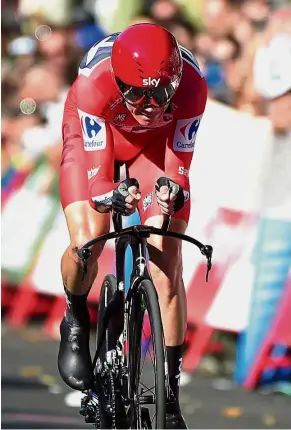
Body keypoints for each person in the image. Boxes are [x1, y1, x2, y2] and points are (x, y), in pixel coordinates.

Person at [58, 23, 207, 429]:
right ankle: (74, 315)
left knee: (166, 261)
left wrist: (170, 192)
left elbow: (179, 169)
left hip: (155, 147)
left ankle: (170, 396)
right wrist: (110, 196)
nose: (149, 105)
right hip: (99, 133)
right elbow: (97, 181)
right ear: (119, 81)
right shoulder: (94, 84)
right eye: (137, 93)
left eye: (160, 94)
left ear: (175, 82)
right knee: (87, 240)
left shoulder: (193, 87)